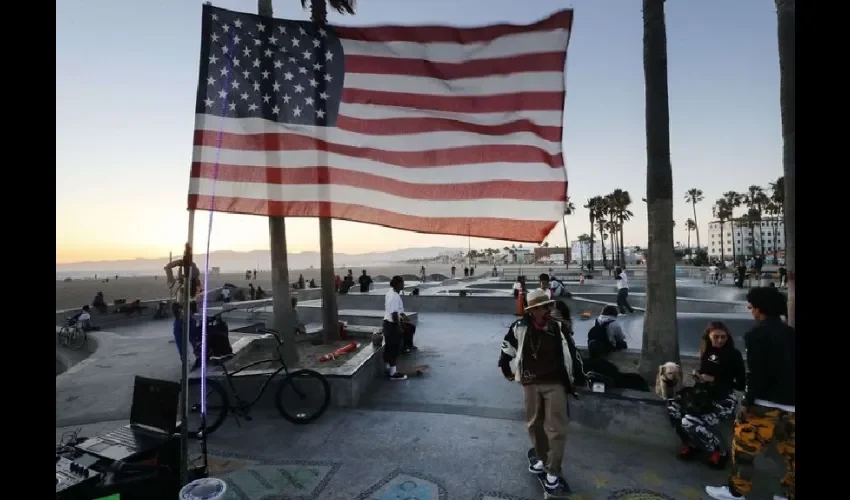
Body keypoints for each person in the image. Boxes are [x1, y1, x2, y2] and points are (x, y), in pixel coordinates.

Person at [705, 287, 795, 500]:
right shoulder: (791, 333)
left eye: (751, 306)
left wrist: (747, 401)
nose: (750, 310)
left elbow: (757, 372)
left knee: (744, 450)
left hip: (764, 404)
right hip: (792, 406)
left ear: (760, 309)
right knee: (792, 454)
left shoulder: (756, 334)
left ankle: (736, 492)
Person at [498, 290, 579, 497]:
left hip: (555, 383)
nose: (548, 310)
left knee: (557, 428)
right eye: (543, 307)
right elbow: (507, 348)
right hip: (530, 382)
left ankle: (553, 470)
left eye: (548, 306)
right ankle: (541, 458)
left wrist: (578, 377)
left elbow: (571, 351)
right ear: (533, 310)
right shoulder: (519, 327)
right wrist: (505, 368)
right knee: (534, 424)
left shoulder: (558, 327)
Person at [667, 321, 745, 468]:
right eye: (716, 337)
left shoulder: (734, 354)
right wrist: (699, 376)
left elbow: (740, 384)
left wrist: (715, 380)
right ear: (708, 336)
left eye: (723, 337)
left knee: (689, 421)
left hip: (724, 399)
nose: (720, 340)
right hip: (704, 395)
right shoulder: (707, 352)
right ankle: (690, 444)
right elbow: (706, 373)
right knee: (673, 407)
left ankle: (719, 451)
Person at [382, 276, 408, 380]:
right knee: (394, 349)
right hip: (391, 324)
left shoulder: (391, 292)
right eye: (402, 283)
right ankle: (393, 373)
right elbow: (393, 314)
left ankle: (388, 368)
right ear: (397, 284)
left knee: (390, 347)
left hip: (387, 323)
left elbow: (397, 311)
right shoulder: (394, 296)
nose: (403, 285)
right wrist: (399, 327)